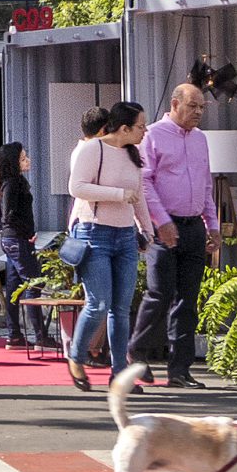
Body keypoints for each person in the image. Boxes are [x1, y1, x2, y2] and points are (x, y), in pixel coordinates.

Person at [132, 83, 218, 387]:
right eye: (193, 106)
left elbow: (206, 184)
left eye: (202, 107)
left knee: (188, 300)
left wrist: (213, 224)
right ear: (175, 104)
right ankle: (137, 353)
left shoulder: (200, 139)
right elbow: (144, 182)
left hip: (193, 226)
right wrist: (162, 221)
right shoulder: (153, 135)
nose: (198, 112)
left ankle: (180, 370)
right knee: (160, 293)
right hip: (163, 227)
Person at [64, 105, 153, 392]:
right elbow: (77, 187)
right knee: (99, 303)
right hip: (93, 232)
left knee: (121, 309)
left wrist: (147, 230)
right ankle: (76, 356)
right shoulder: (93, 149)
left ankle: (120, 374)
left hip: (125, 235)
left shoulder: (132, 154)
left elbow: (139, 197)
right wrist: (118, 194)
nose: (145, 131)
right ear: (124, 128)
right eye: (140, 126)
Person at [0, 142, 45, 352]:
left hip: (13, 239)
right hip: (17, 239)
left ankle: (14, 334)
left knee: (14, 287)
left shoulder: (13, 181)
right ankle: (40, 335)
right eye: (23, 158)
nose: (28, 161)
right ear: (13, 161)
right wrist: (27, 234)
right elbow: (9, 213)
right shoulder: (13, 182)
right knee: (34, 283)